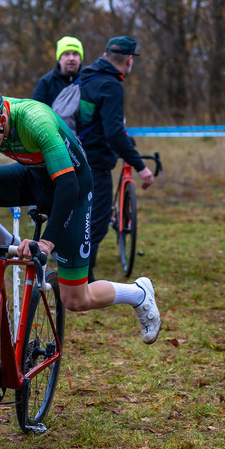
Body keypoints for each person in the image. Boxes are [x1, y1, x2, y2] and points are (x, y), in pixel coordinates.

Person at [0, 78, 162, 344]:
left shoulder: (35, 121)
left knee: (75, 299)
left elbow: (67, 185)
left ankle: (138, 293)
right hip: (32, 176)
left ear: (1, 120)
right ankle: (2, 241)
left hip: (71, 187)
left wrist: (46, 242)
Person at [74, 36, 155, 280]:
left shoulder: (86, 76)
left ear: (105, 54)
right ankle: (83, 281)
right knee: (95, 224)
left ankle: (77, 276)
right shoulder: (111, 86)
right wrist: (141, 166)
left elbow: (94, 121)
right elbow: (113, 133)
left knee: (80, 218)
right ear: (130, 60)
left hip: (74, 155)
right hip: (96, 164)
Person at [33, 36, 84, 108]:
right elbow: (36, 111)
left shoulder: (87, 81)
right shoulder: (45, 83)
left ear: (80, 58)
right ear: (59, 58)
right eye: (66, 54)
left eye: (75, 54)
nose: (71, 58)